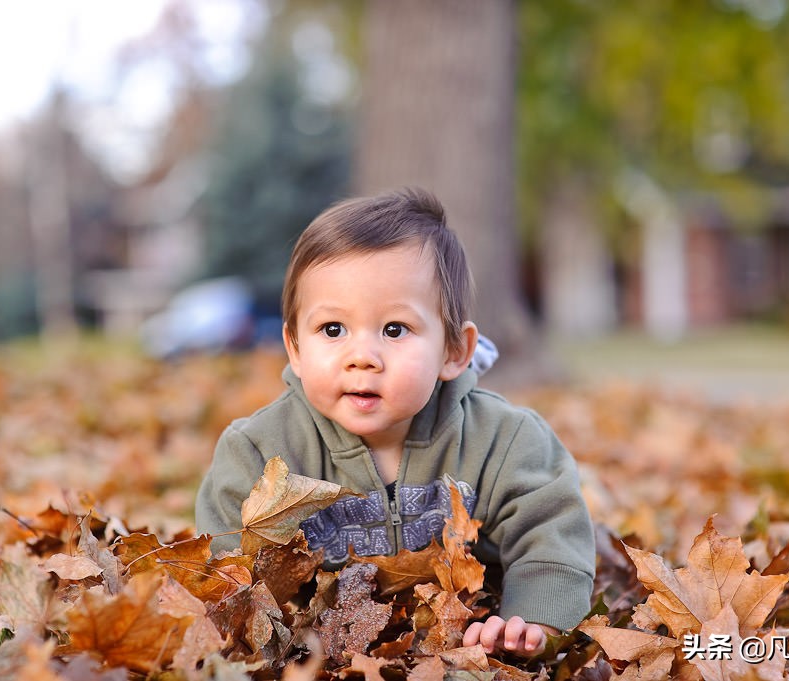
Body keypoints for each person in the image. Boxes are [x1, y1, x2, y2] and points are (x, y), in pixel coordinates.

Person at [195, 187, 595, 656]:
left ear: (454, 351)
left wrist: (532, 620)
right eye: (332, 330)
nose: (362, 357)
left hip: (463, 636)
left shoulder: (504, 440)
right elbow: (226, 565)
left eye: (394, 330)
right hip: (317, 648)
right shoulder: (259, 451)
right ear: (295, 348)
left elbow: (550, 533)